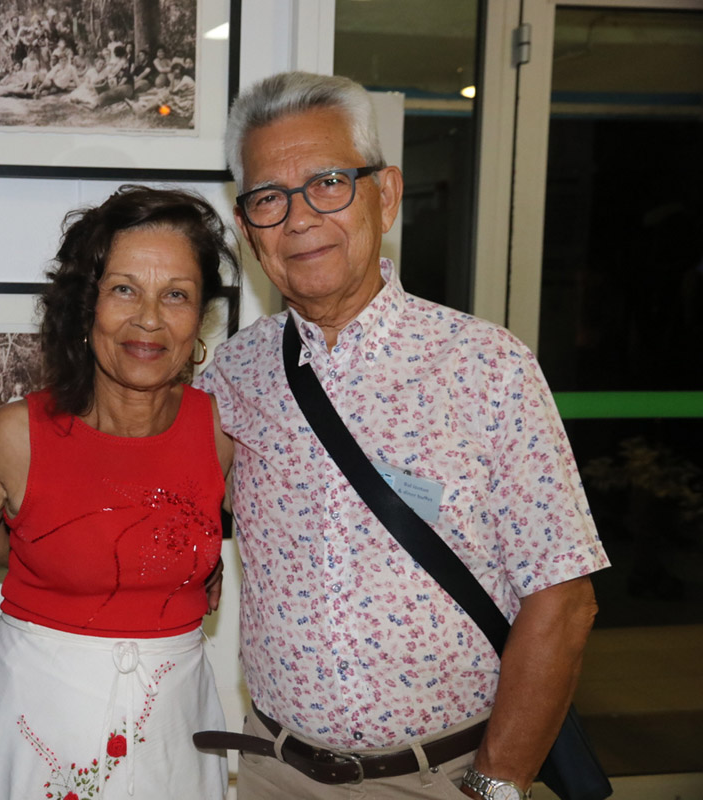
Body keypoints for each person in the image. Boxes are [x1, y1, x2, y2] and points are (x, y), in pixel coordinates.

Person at [196, 71, 610, 799]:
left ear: (384, 195)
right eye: (269, 198)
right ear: (246, 226)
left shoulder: (488, 368)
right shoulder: (233, 375)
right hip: (272, 774)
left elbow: (564, 601)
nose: (298, 219)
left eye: (328, 182)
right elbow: (140, 473)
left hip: (446, 778)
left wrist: (497, 783)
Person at [0, 186, 238, 800]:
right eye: (124, 289)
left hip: (175, 729)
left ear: (202, 314)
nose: (150, 319)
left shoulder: (220, 430)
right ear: (87, 305)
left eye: (177, 295)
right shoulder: (16, 436)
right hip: (32, 727)